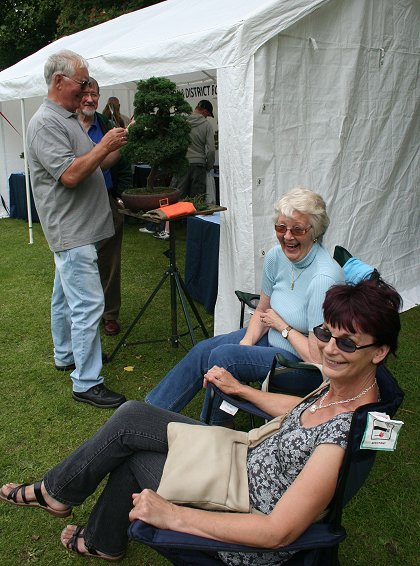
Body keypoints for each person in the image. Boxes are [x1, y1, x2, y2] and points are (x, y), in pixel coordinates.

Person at [0, 278, 402, 563]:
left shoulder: (345, 432)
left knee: (133, 457)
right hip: (238, 457)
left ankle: (82, 519)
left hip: (240, 503)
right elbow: (299, 411)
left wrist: (173, 515)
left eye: (347, 342)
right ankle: (71, 506)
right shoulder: (342, 388)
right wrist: (243, 391)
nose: (329, 349)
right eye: (325, 334)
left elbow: (278, 532)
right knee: (132, 415)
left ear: (379, 352)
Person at [145, 187, 344, 425]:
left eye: (297, 229)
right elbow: (262, 311)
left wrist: (284, 328)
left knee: (225, 357)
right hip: (271, 338)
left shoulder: (324, 279)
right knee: (203, 352)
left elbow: (316, 357)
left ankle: (210, 432)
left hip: (300, 365)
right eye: (281, 227)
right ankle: (147, 414)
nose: (287, 236)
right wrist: (246, 345)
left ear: (315, 231)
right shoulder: (275, 257)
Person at [26, 49, 127, 408]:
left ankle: (65, 354)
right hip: (72, 231)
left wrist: (115, 145)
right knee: (87, 305)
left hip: (79, 230)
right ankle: (86, 381)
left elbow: (92, 163)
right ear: (58, 81)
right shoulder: (45, 123)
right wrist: (103, 145)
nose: (85, 89)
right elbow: (70, 175)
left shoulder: (67, 118)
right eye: (81, 82)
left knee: (64, 298)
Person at [78, 78, 132, 336]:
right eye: (85, 93)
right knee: (82, 260)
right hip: (77, 202)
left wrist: (119, 195)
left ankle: (110, 314)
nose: (90, 99)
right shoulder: (67, 125)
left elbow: (121, 163)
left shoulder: (104, 124)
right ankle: (85, 312)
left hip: (106, 199)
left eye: (94, 94)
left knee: (110, 260)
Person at [176, 99, 215, 198]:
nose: (207, 117)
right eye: (208, 115)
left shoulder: (182, 122)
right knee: (197, 199)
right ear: (205, 111)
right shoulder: (207, 125)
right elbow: (211, 150)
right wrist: (209, 166)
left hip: (182, 164)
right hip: (199, 165)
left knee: (179, 197)